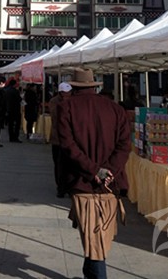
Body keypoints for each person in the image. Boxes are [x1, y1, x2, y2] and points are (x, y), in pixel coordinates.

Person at [57, 68, 130, 279]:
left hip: (82, 182)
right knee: (97, 236)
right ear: (94, 86)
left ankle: (96, 275)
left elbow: (68, 146)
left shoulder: (66, 108)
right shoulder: (115, 109)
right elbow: (124, 146)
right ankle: (90, 273)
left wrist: (94, 170)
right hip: (110, 184)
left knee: (94, 239)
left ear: (74, 86)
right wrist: (109, 171)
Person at [48, 81, 72, 197]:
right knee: (58, 164)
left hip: (70, 139)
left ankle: (69, 186)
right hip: (57, 139)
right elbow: (56, 117)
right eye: (65, 92)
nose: (67, 94)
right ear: (60, 93)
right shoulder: (54, 102)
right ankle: (61, 187)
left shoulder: (73, 100)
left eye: (69, 92)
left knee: (69, 164)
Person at [3, 78, 22, 143]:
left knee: (10, 124)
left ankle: (11, 137)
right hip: (16, 109)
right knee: (17, 124)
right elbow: (19, 99)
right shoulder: (15, 91)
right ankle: (15, 137)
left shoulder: (6, 91)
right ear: (14, 84)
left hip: (9, 109)